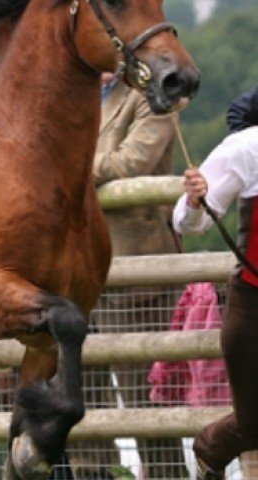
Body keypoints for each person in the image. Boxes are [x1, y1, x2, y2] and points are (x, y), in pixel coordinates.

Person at [77, 72, 188, 479]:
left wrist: (66, 170)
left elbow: (132, 161)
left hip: (135, 267)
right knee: (80, 396)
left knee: (146, 400)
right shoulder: (71, 88)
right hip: (76, 267)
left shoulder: (151, 95)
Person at [173, 125, 258, 480]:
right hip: (254, 306)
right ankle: (210, 450)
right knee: (253, 426)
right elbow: (187, 221)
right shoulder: (249, 147)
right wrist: (196, 202)